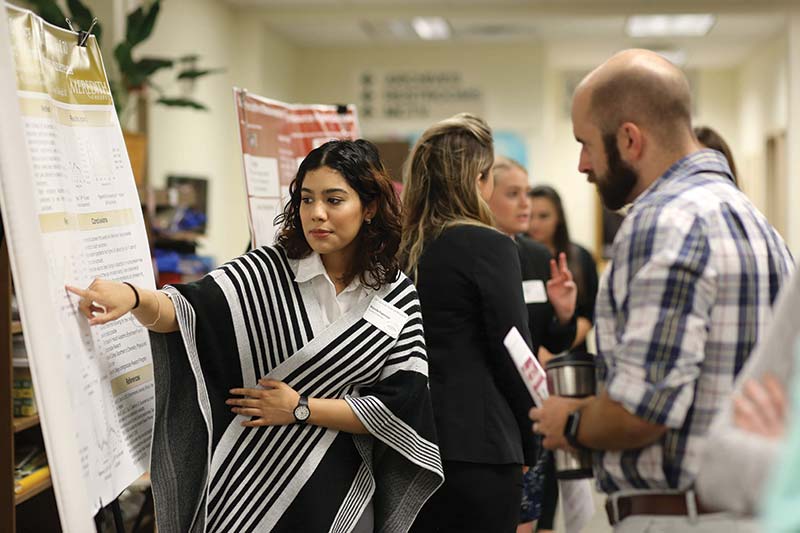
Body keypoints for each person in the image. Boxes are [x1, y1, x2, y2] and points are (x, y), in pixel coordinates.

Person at [67, 139, 444, 533]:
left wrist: (300, 407)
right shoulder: (265, 272)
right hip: (249, 484)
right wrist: (131, 297)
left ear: (368, 208)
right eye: (306, 199)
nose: (317, 214)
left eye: (334, 200)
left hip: (341, 494)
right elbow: (182, 311)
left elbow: (399, 408)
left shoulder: (396, 294)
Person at [529, 49, 794, 532]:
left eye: (587, 143)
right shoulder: (759, 225)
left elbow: (641, 411)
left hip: (679, 516)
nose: (583, 164)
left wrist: (567, 419)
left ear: (629, 139)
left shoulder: (662, 221)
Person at [401, 113, 573, 533]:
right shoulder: (489, 245)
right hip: (480, 445)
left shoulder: (401, 247)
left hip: (409, 442)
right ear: (477, 181)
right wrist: (532, 436)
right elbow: (513, 349)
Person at [487, 157, 578, 533]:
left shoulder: (538, 256)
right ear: (484, 196)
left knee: (539, 521)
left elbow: (555, 339)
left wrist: (564, 314)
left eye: (527, 192)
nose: (526, 204)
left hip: (536, 410)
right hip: (492, 412)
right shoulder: (476, 257)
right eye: (513, 194)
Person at [527, 185, 598, 360]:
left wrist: (552, 351)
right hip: (529, 358)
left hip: (571, 358)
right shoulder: (516, 257)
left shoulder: (581, 257)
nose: (534, 224)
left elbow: (589, 314)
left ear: (558, 217)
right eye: (529, 216)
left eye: (544, 216)